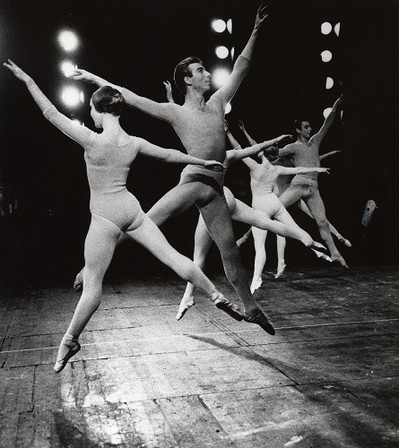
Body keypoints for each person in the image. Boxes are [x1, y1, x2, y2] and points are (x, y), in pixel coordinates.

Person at [4, 60, 246, 373]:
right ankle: (214, 294)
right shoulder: (133, 143)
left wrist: (27, 79)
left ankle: (69, 339)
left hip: (104, 217)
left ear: (97, 109)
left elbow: (49, 112)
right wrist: (203, 161)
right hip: (131, 209)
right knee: (173, 257)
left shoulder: (90, 139)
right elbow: (169, 155)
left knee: (92, 286)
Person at [69, 5, 277, 334]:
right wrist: (95, 79)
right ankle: (88, 269)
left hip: (215, 191)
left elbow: (242, 66)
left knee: (230, 251)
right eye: (201, 71)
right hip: (195, 181)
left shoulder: (219, 102)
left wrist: (255, 31)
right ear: (187, 80)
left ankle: (251, 308)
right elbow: (131, 97)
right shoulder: (175, 112)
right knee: (148, 221)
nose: (208, 74)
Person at [176, 126, 330, 317]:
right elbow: (254, 149)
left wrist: (229, 132)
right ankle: (305, 240)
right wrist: (278, 138)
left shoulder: (202, 160)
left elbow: (249, 148)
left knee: (201, 256)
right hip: (232, 198)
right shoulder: (235, 157)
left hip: (214, 203)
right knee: (268, 225)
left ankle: (190, 295)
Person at [236, 119, 351, 279]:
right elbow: (258, 147)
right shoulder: (274, 163)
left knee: (315, 219)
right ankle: (279, 260)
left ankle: (337, 237)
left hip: (291, 193)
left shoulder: (287, 161)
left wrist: (327, 157)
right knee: (279, 227)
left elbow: (309, 162)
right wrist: (244, 131)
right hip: (281, 195)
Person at [276, 96, 349, 269]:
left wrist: (336, 105)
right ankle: (251, 234)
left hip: (313, 187)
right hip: (299, 185)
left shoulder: (315, 141)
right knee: (274, 209)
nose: (310, 129)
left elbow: (327, 123)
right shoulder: (293, 147)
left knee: (322, 222)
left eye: (309, 127)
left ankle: (335, 253)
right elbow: (275, 153)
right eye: (306, 127)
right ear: (298, 130)